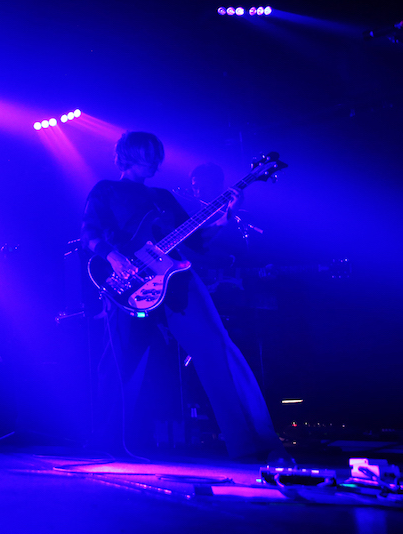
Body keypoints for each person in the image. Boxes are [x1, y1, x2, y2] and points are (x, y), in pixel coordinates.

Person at [81, 131, 288, 464]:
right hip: (127, 283)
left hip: (176, 278)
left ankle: (248, 443)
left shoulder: (162, 197)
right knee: (118, 362)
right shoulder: (106, 190)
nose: (155, 161)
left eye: (157, 155)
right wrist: (113, 256)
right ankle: (106, 442)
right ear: (128, 155)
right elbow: (88, 234)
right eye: (148, 154)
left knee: (216, 347)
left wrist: (225, 216)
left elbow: (196, 241)